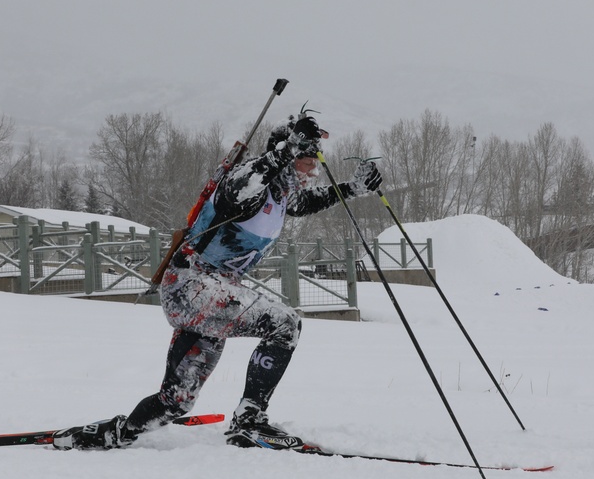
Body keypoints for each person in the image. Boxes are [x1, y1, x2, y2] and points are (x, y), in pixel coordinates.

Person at [53, 110, 383, 451]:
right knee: (285, 325)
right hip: (192, 285)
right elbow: (236, 193)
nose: (313, 170)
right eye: (306, 161)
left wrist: (354, 188)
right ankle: (249, 421)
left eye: (314, 162)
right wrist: (286, 149)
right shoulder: (250, 181)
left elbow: (309, 201)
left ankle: (110, 434)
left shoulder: (282, 194)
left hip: (208, 294)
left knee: (175, 402)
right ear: (286, 156)